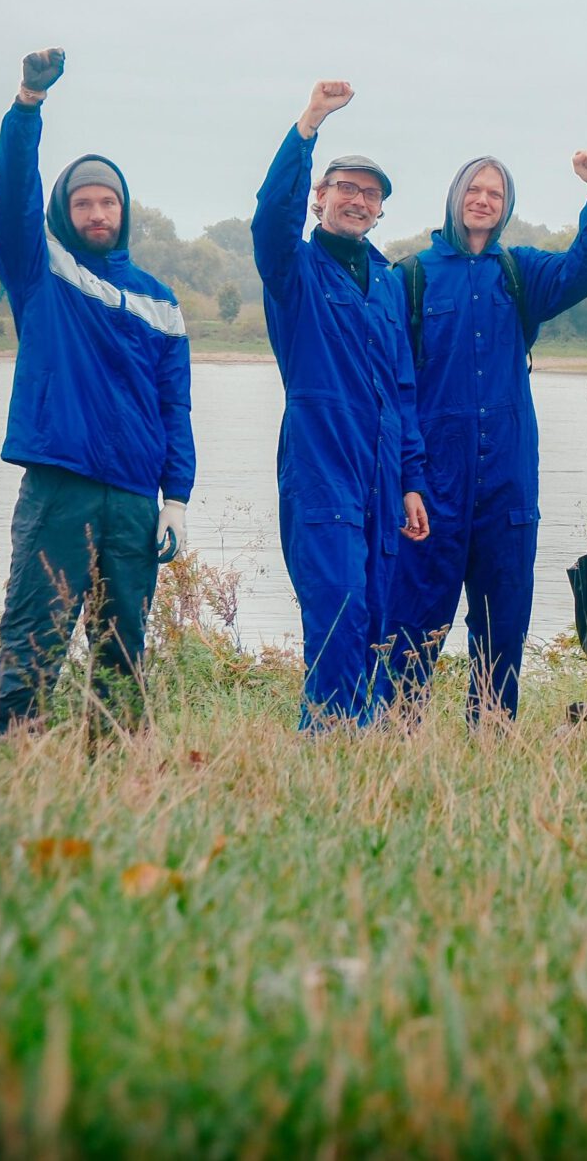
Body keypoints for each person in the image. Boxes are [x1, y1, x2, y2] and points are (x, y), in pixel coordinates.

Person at [0, 48, 195, 735]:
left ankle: (115, 780)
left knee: (123, 654)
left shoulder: (159, 299)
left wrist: (176, 500)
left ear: (124, 210)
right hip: (59, 488)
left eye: (108, 201)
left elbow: (173, 404)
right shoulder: (40, 269)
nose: (97, 212)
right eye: (83, 202)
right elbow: (11, 199)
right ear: (67, 210)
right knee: (33, 640)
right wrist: (27, 107)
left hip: (133, 498)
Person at [387, 152, 587, 721]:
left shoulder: (520, 273)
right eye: (475, 189)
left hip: (508, 484)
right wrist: (407, 479)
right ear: (455, 196)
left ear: (505, 207)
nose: (483, 199)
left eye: (495, 193)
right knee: (416, 614)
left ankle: (491, 730)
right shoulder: (411, 277)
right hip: (434, 484)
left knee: (504, 616)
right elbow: (395, 389)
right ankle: (397, 729)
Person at [253, 80, 430, 728]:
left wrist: (412, 481)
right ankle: (326, 744)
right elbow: (270, 216)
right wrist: (309, 124)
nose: (357, 200)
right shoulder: (292, 270)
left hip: (384, 479)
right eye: (345, 189)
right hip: (321, 466)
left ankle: (369, 746)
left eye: (370, 193)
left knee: (380, 614)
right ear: (319, 198)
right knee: (339, 609)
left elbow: (404, 392)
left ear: (380, 211)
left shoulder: (387, 285)